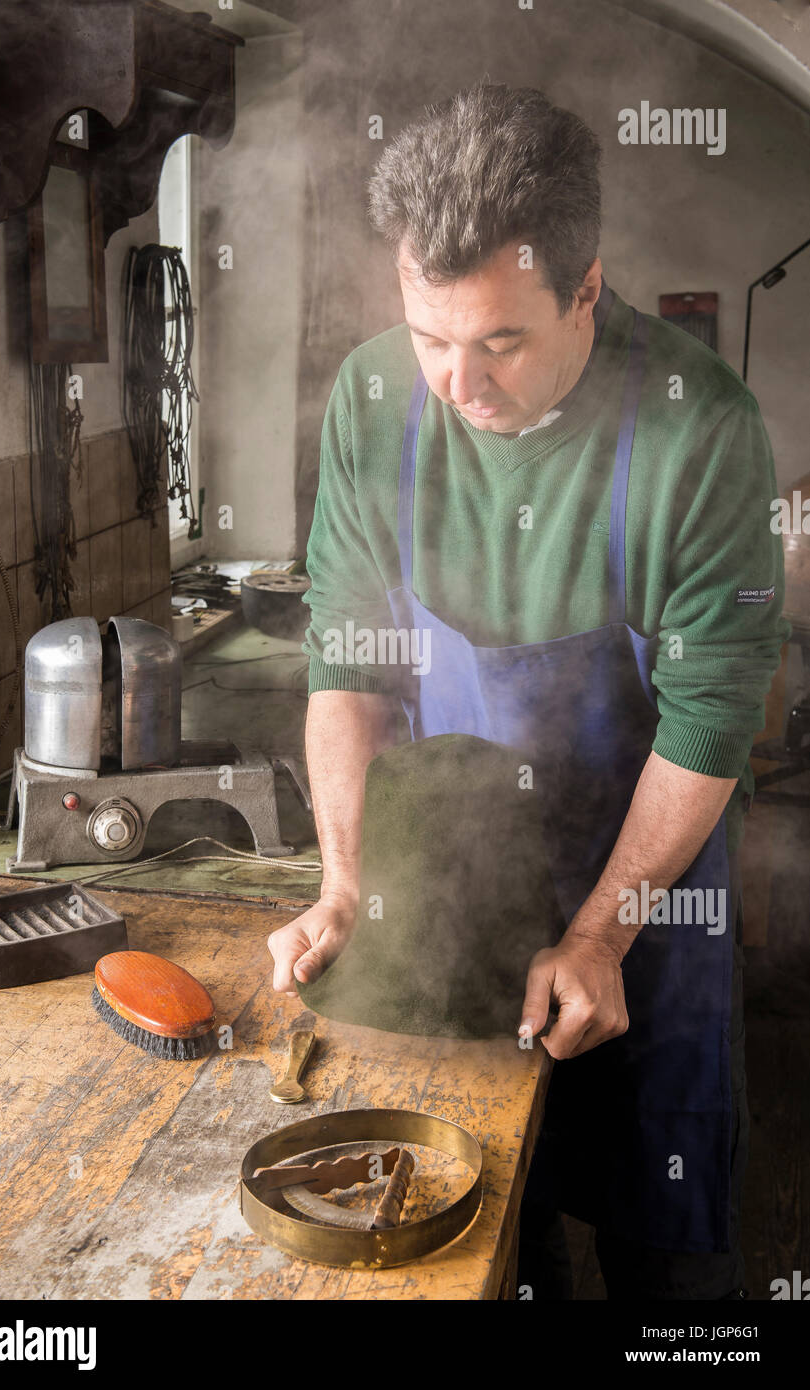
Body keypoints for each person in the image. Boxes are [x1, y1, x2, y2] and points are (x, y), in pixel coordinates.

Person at [268, 84, 787, 1299]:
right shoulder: (372, 399)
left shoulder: (698, 428)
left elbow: (711, 715)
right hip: (464, 883)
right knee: (490, 1215)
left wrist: (600, 933)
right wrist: (347, 885)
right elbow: (349, 659)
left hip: (650, 907)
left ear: (587, 290)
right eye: (428, 334)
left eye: (499, 340)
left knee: (668, 1256)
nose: (456, 381)